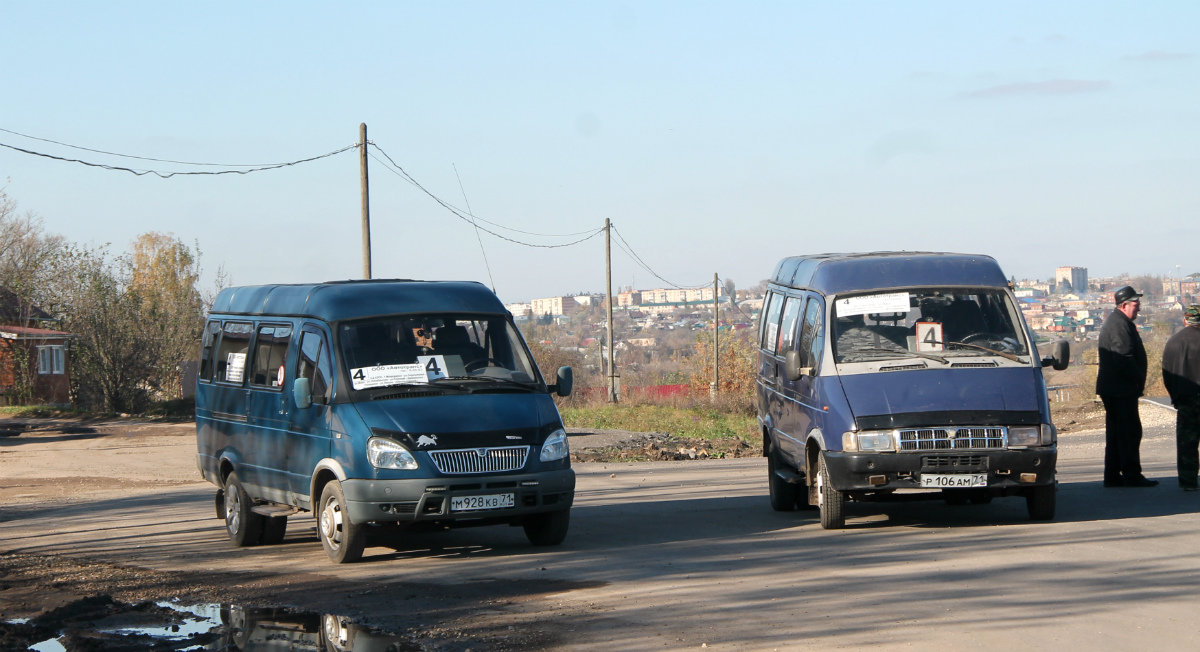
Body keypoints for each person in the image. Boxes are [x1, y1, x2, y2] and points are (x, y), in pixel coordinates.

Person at [1096, 286, 1158, 487]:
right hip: (1120, 389)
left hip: (1117, 388)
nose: (1138, 308)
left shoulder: (1120, 322)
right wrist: (1138, 377)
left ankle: (1113, 475)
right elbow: (1123, 357)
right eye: (1136, 304)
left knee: (1117, 432)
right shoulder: (1119, 325)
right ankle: (1131, 473)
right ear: (1124, 305)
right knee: (1129, 432)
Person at [1162, 305, 1200, 491]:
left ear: (1185, 320)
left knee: (1187, 442)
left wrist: (1174, 396)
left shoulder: (1173, 342)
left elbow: (1167, 373)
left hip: (1185, 398)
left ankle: (1188, 481)